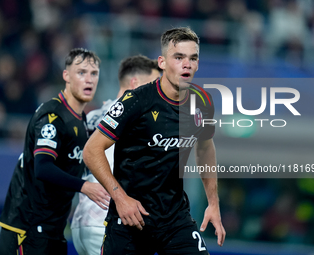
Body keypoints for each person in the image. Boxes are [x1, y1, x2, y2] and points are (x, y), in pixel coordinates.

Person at [83, 27, 226, 254]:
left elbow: (205, 149)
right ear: (162, 62)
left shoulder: (202, 101)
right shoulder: (136, 101)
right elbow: (91, 150)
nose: (186, 64)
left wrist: (213, 203)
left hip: (174, 219)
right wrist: (120, 199)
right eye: (178, 57)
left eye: (193, 58)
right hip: (130, 219)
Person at [0, 48, 110, 255]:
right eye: (81, 72)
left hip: (53, 228)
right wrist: (84, 187)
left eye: (94, 73)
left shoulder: (80, 119)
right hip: (27, 226)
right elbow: (43, 167)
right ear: (66, 76)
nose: (89, 79)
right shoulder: (52, 116)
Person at [71, 54, 161, 255]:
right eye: (153, 84)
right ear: (135, 83)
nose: (156, 91)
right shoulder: (134, 118)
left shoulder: (94, 115)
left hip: (81, 223)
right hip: (107, 222)